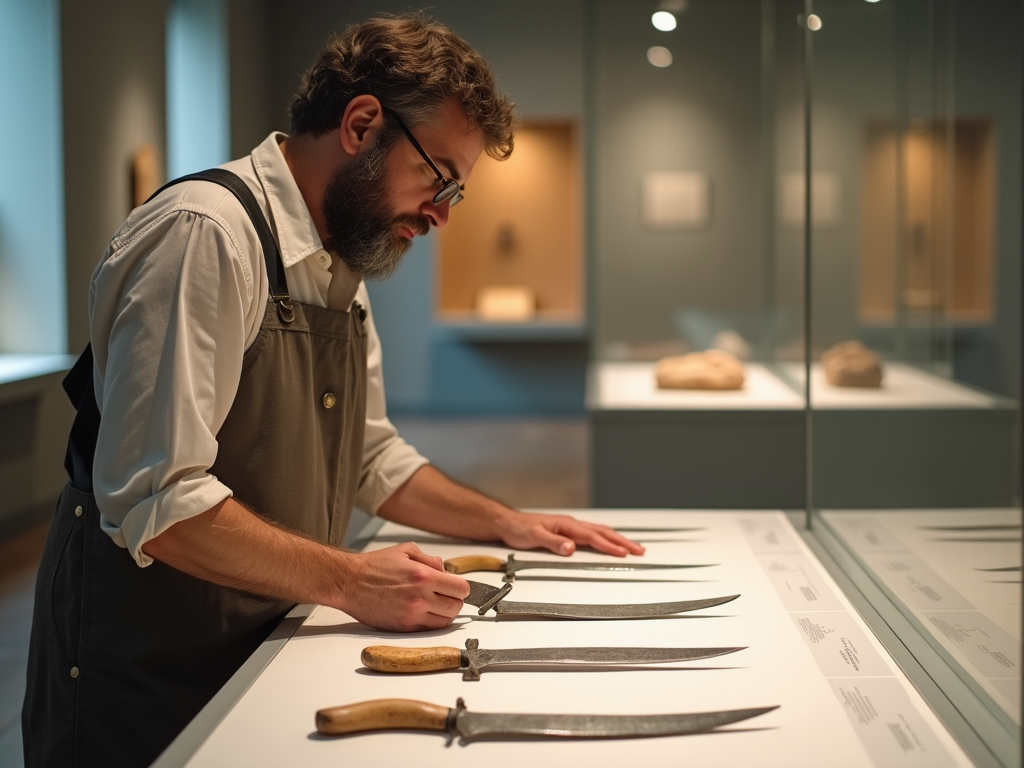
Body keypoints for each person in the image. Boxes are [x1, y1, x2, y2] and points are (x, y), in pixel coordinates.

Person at [23, 13, 643, 768]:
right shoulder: (206, 235)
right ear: (360, 124)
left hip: (259, 644)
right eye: (438, 178)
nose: (443, 215)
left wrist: (506, 524)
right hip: (150, 679)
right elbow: (159, 498)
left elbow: (369, 458)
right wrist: (353, 579)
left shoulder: (336, 263)